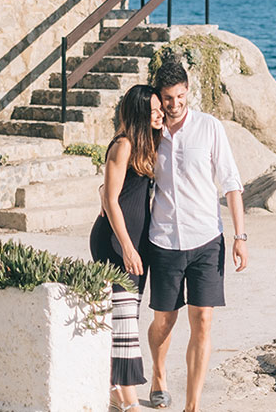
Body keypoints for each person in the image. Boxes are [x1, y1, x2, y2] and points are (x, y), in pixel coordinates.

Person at [146, 62, 248, 412]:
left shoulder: (209, 127)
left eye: (180, 96)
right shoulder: (150, 132)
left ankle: (192, 405)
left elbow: (231, 182)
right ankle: (158, 376)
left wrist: (240, 235)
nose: (174, 104)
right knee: (165, 320)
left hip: (207, 239)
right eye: (167, 98)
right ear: (158, 96)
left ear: (188, 92)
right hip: (164, 241)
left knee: (202, 318)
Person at [90, 84, 164, 412]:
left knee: (127, 317)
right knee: (124, 322)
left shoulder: (148, 144)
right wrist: (127, 247)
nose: (161, 113)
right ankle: (130, 402)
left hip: (137, 244)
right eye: (154, 110)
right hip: (115, 243)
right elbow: (110, 197)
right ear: (139, 114)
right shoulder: (123, 145)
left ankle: (113, 390)